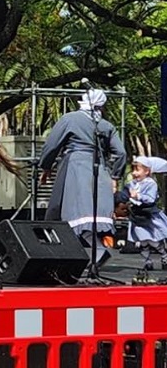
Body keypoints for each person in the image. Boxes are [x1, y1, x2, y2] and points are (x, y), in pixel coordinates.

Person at [38, 89, 127, 267]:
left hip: (75, 168)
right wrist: (115, 176)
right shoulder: (106, 125)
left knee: (72, 213)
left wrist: (45, 166)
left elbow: (52, 144)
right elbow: (121, 153)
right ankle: (93, 253)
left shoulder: (69, 119)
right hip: (99, 170)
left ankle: (91, 254)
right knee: (87, 215)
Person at [117, 156, 167, 271]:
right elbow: (124, 195)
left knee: (153, 240)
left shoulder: (151, 184)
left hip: (149, 216)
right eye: (133, 170)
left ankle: (164, 255)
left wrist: (138, 196)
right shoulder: (132, 184)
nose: (134, 173)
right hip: (137, 216)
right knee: (142, 240)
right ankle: (147, 261)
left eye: (137, 170)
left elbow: (150, 199)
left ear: (147, 171)